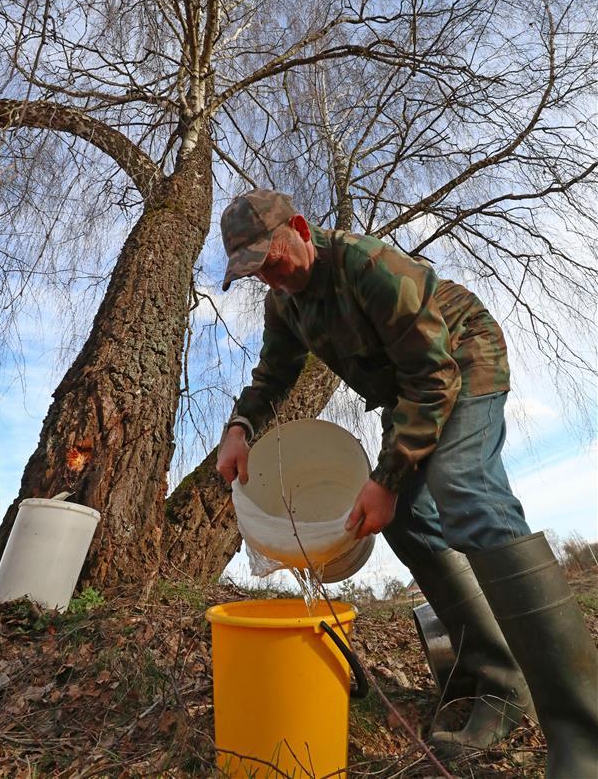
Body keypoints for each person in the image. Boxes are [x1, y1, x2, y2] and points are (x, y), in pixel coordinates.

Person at [216, 188, 598, 777]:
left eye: (273, 259)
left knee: (465, 491)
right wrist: (240, 425)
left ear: (299, 227)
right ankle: (499, 682)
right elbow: (273, 373)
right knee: (408, 521)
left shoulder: (369, 267)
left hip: (460, 358)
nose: (270, 277)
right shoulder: (285, 304)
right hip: (412, 389)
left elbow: (433, 375)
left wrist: (387, 478)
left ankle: (582, 733)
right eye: (254, 271)